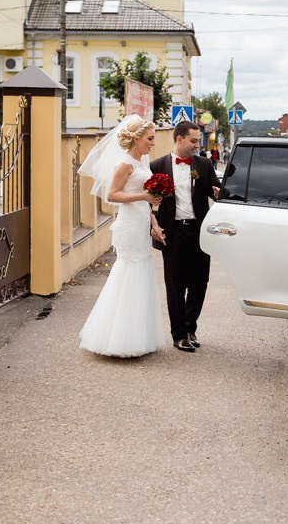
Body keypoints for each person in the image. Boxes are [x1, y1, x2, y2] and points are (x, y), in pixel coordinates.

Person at [77, 115, 169, 357]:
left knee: (142, 270)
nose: (152, 143)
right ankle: (119, 338)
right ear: (136, 139)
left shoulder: (142, 162)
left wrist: (154, 223)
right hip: (128, 225)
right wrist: (144, 197)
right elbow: (112, 195)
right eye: (149, 138)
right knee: (129, 271)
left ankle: (139, 334)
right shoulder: (125, 163)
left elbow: (145, 199)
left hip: (141, 222)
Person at [151, 121, 221, 352]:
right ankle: (179, 334)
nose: (197, 145)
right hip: (173, 232)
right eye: (193, 141)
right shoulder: (157, 166)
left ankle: (191, 328)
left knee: (200, 282)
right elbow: (146, 203)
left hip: (200, 231)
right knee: (175, 284)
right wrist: (151, 226)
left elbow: (217, 190)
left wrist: (220, 192)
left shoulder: (204, 163)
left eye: (198, 141)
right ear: (179, 139)